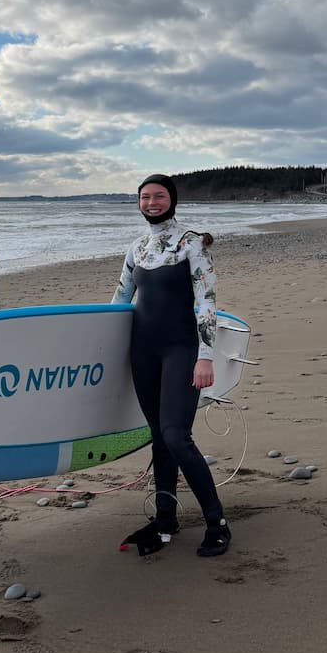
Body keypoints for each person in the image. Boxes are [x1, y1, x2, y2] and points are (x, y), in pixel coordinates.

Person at [112, 173, 231, 558]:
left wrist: (206, 356)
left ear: (172, 200)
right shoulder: (137, 248)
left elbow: (207, 303)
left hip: (181, 348)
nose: (151, 203)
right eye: (145, 197)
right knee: (158, 435)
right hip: (143, 351)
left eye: (158, 196)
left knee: (176, 435)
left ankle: (217, 522)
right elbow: (119, 300)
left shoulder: (191, 244)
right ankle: (165, 519)